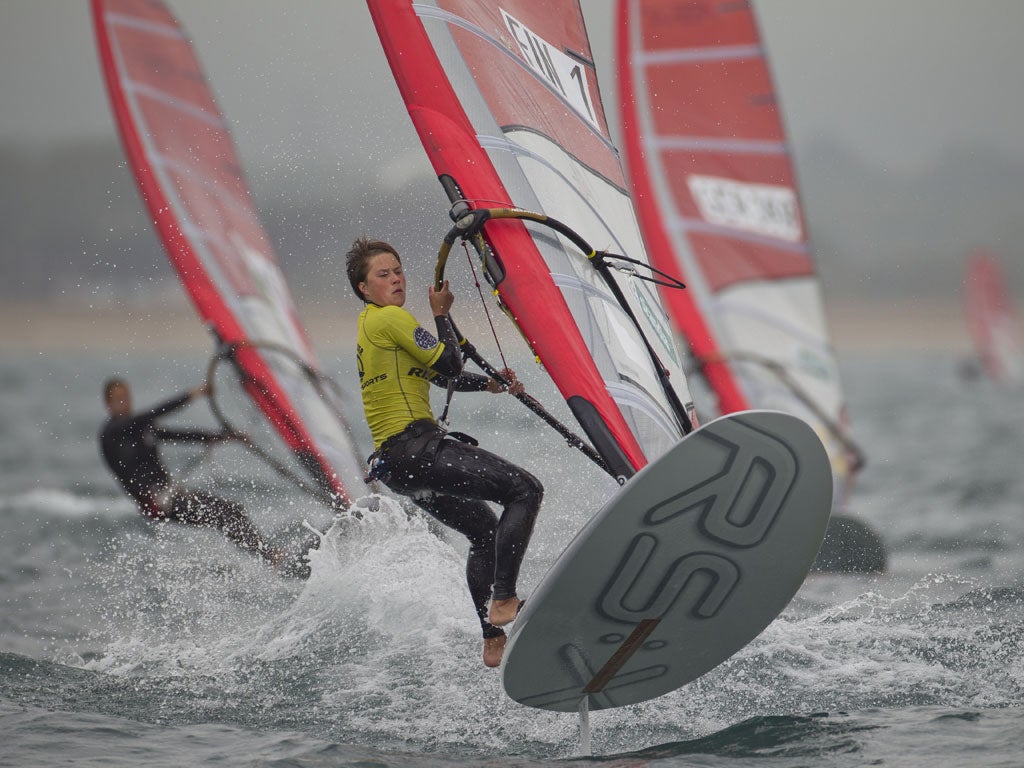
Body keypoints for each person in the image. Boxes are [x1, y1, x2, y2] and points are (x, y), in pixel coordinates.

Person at [346, 236, 543, 668]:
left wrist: (489, 384)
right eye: (383, 274)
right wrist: (440, 313)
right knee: (525, 490)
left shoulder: (372, 328)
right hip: (416, 450)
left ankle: (492, 637)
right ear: (364, 287)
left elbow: (438, 376)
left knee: (483, 532)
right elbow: (450, 364)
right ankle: (504, 600)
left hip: (397, 467)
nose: (396, 279)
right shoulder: (391, 318)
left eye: (398, 270)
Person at [99, 377, 302, 576]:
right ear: (108, 404)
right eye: (118, 399)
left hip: (170, 495)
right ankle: (271, 558)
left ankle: (269, 555)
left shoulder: (141, 429)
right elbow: (153, 414)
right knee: (223, 517)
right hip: (156, 503)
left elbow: (182, 435)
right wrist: (191, 395)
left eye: (126, 397)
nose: (124, 403)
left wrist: (227, 437)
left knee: (233, 511)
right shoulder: (113, 431)